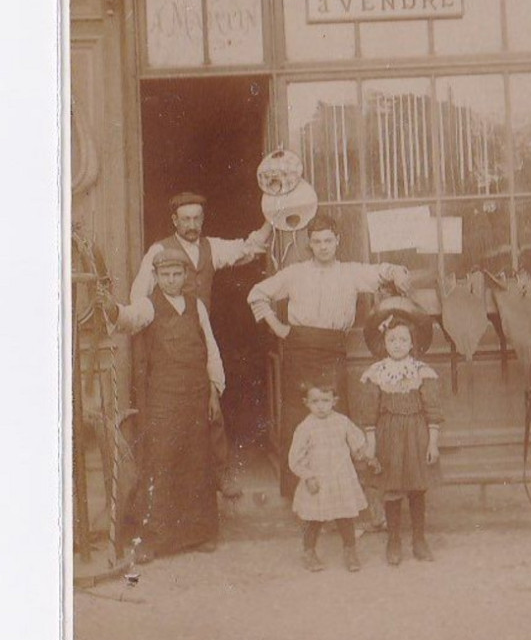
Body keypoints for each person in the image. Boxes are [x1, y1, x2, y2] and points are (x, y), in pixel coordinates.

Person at [247, 213, 411, 499]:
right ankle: (301, 498)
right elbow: (257, 294)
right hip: (298, 352)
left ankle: (336, 497)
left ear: (338, 241)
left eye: (328, 241)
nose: (322, 246)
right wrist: (279, 329)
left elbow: (384, 271)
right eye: (316, 241)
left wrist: (397, 271)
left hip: (333, 350)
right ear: (309, 244)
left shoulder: (350, 272)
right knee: (300, 424)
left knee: (335, 423)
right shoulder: (295, 273)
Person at [131, 191, 271, 499]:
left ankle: (220, 473)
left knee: (211, 405)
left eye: (197, 218)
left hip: (198, 329)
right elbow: (139, 296)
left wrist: (274, 217)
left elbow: (248, 248)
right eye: (186, 219)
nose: (192, 224)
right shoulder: (159, 250)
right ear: (174, 220)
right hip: (166, 336)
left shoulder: (211, 247)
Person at [101, 247, 225, 563]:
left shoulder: (198, 307)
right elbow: (128, 319)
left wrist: (214, 392)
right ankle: (154, 539)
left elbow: (210, 349)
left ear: (185, 276)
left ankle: (199, 534)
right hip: (164, 398)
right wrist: (111, 309)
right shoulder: (149, 305)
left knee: (198, 460)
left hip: (197, 394)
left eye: (176, 274)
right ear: (155, 277)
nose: (171, 280)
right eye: (165, 275)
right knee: (162, 462)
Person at [360, 300, 444, 566]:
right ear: (384, 343)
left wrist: (433, 443)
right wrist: (371, 444)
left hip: (417, 433)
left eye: (403, 340)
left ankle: (419, 540)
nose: (397, 344)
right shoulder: (376, 373)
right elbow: (370, 412)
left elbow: (432, 409)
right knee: (392, 488)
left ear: (412, 343)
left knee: (417, 489)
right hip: (388, 434)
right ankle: (393, 540)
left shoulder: (421, 372)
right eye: (392, 339)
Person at [288, 379, 376, 573]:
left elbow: (357, 442)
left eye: (325, 401)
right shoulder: (305, 428)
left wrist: (364, 454)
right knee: (314, 519)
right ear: (307, 403)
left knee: (345, 517)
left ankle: (350, 551)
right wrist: (308, 476)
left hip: (340, 478)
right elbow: (295, 458)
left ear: (334, 401)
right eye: (315, 402)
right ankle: (309, 551)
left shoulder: (342, 422)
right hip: (318, 480)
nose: (321, 407)